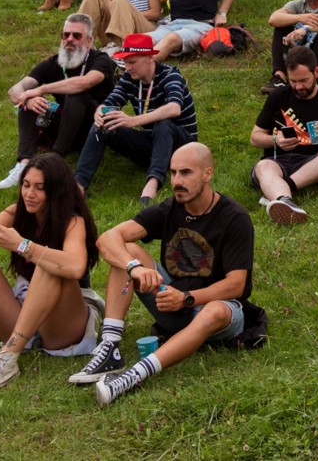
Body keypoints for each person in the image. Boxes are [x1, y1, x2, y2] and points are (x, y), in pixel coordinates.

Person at [68, 143, 263, 404]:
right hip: (170, 302)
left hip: (218, 311)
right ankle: (110, 348)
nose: (176, 181)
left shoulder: (234, 217)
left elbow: (236, 285)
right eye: (172, 173)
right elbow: (107, 239)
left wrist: (186, 298)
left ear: (208, 173)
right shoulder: (169, 209)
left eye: (185, 173)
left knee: (214, 310)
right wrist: (134, 267)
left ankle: (134, 376)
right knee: (125, 251)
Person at [0, 153, 102, 394]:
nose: (30, 194)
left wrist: (23, 246)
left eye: (40, 188)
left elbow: (74, 267)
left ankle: (7, 360)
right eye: (26, 185)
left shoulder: (73, 222)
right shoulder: (16, 213)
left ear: (57, 191)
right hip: (24, 306)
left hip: (64, 317)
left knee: (49, 263)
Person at [74, 34, 197, 205]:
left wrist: (133, 121)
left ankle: (152, 184)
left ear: (149, 58)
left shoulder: (171, 75)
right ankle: (78, 184)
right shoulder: (129, 78)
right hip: (153, 143)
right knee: (105, 123)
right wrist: (100, 113)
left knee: (164, 125)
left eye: (133, 62)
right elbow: (110, 102)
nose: (128, 67)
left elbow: (174, 108)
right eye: (125, 62)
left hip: (183, 147)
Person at [0, 15, 119, 190]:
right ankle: (24, 164)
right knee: (28, 102)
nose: (69, 39)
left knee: (75, 93)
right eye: (66, 35)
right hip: (65, 126)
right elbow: (15, 90)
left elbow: (85, 82)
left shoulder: (101, 60)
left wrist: (41, 89)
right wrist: (28, 98)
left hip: (95, 127)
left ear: (88, 40)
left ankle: (55, 159)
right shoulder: (54, 62)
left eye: (76, 36)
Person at [249, 46, 318, 226]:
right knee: (263, 166)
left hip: (314, 161)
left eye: (303, 80)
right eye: (293, 81)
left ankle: (282, 190)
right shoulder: (277, 97)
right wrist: (277, 140)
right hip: (278, 161)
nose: (298, 86)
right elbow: (255, 137)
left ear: (317, 72)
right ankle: (285, 201)